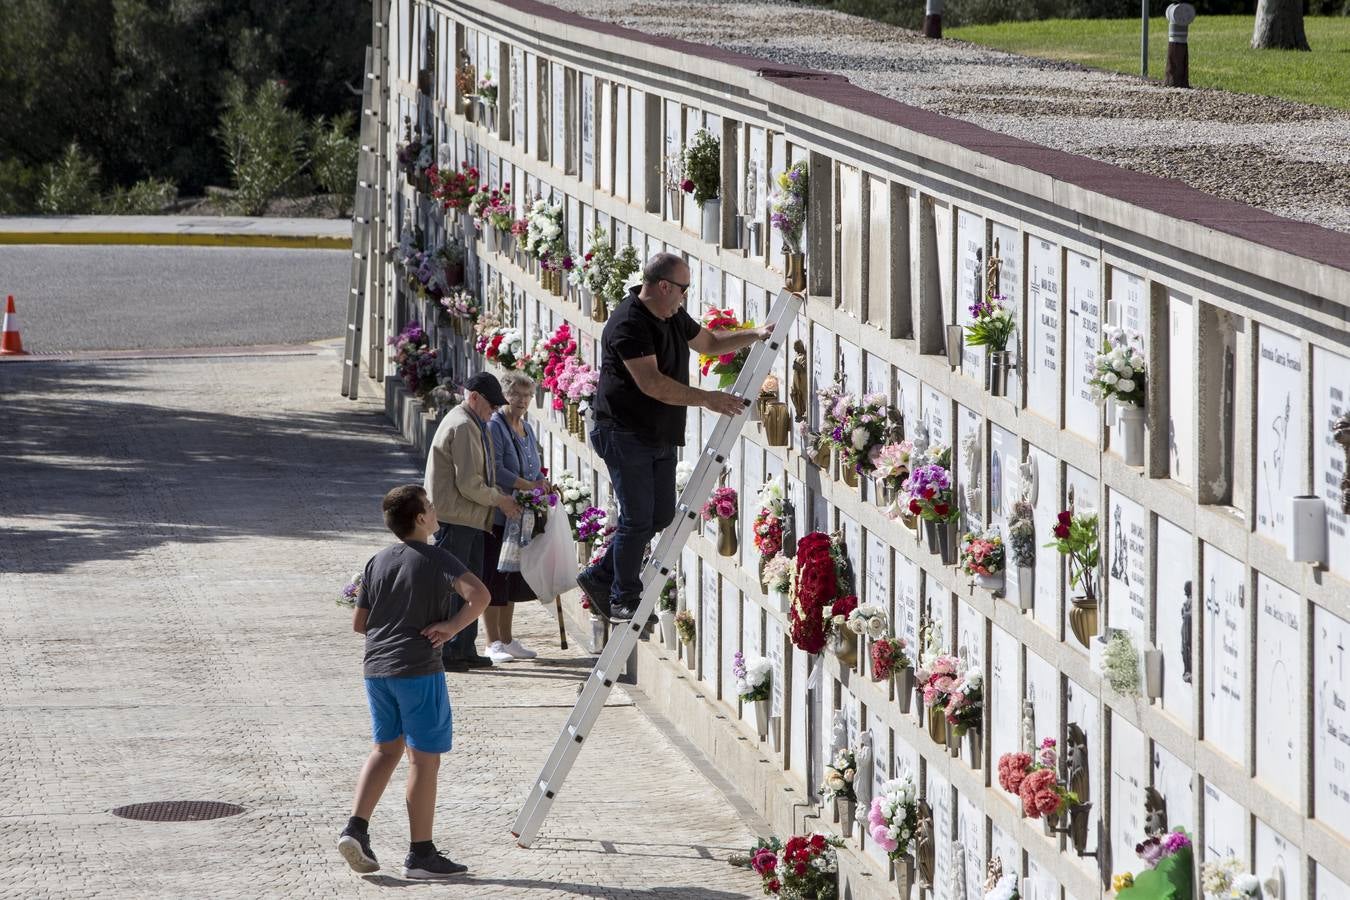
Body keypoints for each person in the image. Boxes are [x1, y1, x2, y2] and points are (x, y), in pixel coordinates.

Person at [576, 252, 770, 622]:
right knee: (635, 518)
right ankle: (622, 598)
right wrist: (707, 399)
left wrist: (755, 335)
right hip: (623, 432)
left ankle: (600, 575)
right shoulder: (628, 324)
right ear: (664, 286)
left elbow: (709, 344)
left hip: (657, 433)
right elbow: (652, 384)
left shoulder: (671, 314)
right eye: (684, 289)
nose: (685, 297)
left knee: (662, 513)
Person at [337, 484, 490, 879]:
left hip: (376, 669)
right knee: (423, 759)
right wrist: (451, 627)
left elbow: (359, 624)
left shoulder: (378, 560)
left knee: (385, 750)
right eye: (431, 506)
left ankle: (356, 829)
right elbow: (480, 595)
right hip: (418, 668)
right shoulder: (439, 557)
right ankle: (421, 854)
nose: (435, 511)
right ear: (421, 518)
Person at [424, 371, 522, 670]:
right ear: (474, 396)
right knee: (458, 589)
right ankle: (452, 650)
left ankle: (465, 647)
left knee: (473, 585)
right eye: (491, 404)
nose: (494, 410)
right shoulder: (463, 425)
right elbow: (468, 483)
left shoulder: (472, 421)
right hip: (457, 519)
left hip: (470, 518)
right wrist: (500, 499)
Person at [482, 370, 550, 662]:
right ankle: (491, 642)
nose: (522, 401)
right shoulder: (496, 426)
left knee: (511, 579)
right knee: (494, 578)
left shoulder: (526, 427)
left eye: (527, 395)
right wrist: (528, 486)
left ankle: (507, 639)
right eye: (516, 395)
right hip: (501, 513)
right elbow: (496, 468)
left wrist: (543, 485)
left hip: (522, 516)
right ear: (504, 395)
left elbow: (534, 463)